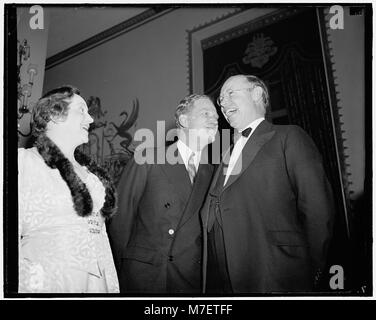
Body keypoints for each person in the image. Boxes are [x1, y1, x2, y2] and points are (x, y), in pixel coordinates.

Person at [201, 74, 335, 293]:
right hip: (222, 279)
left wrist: (312, 269)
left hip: (276, 273)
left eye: (230, 93)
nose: (223, 103)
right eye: (220, 99)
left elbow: (317, 208)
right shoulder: (225, 152)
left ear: (256, 94)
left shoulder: (289, 136)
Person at [108, 94, 218, 293]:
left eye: (216, 117)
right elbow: (120, 221)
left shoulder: (213, 173)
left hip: (190, 281)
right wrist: (124, 272)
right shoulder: (148, 158)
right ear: (184, 120)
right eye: (206, 113)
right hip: (147, 277)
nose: (214, 120)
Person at [18, 86, 119, 293]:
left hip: (97, 284)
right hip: (47, 282)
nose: (91, 120)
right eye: (82, 110)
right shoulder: (24, 162)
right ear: (54, 113)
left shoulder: (93, 176)